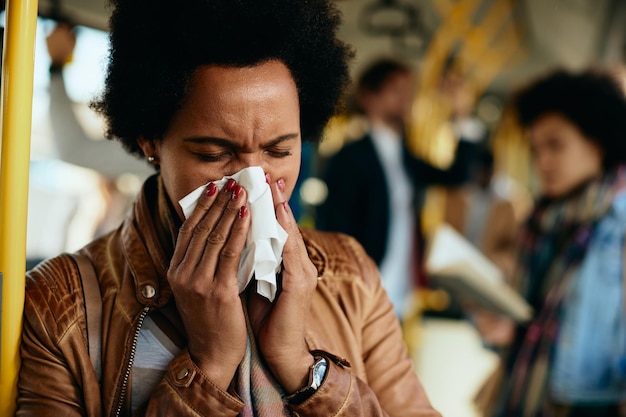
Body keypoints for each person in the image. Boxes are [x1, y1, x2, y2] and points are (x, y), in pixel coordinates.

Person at [16, 1, 441, 416]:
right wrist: (209, 364)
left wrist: (299, 366)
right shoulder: (60, 307)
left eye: (279, 150)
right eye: (214, 154)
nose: (253, 183)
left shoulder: (352, 277)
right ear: (150, 140)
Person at [473, 69, 626, 417]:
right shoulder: (538, 222)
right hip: (520, 397)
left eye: (555, 145)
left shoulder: (618, 224)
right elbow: (527, 322)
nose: (542, 161)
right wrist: (499, 327)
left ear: (598, 142)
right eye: (536, 148)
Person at [317, 58, 482, 317]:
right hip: (362, 287)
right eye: (396, 89)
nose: (407, 97)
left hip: (402, 288)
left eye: (409, 89)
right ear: (369, 97)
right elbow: (336, 228)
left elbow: (459, 176)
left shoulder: (406, 157)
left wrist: (462, 116)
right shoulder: (348, 158)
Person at [444, 147, 518, 278]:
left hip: (487, 271)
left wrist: (497, 260)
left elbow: (511, 246)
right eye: (479, 172)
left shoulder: (505, 207)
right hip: (458, 267)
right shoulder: (458, 199)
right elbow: (448, 234)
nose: (482, 177)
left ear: (493, 172)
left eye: (486, 172)